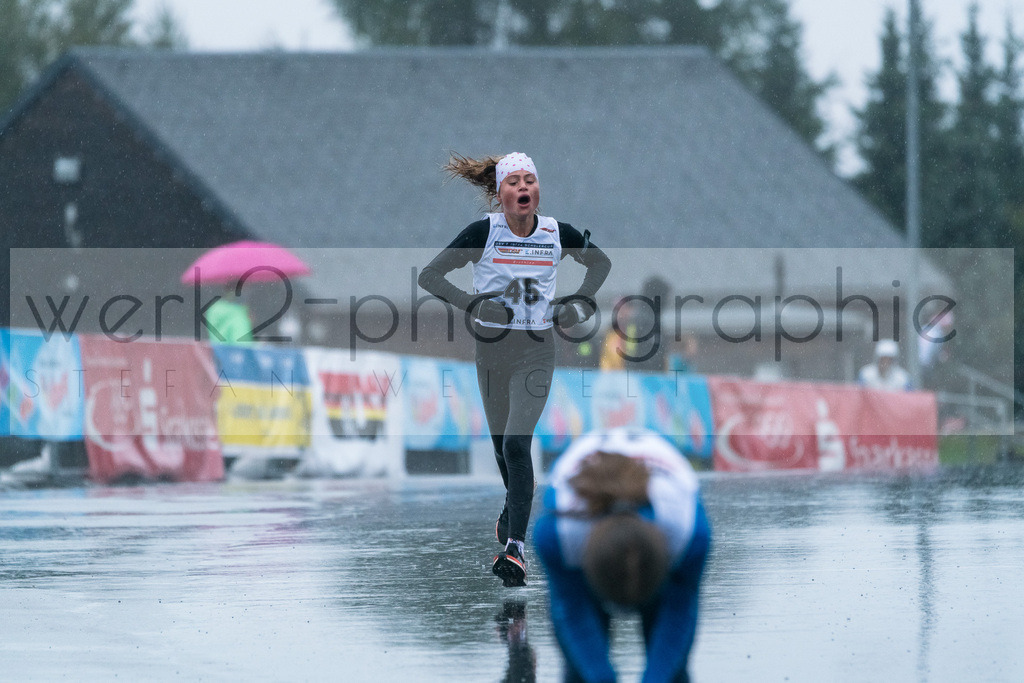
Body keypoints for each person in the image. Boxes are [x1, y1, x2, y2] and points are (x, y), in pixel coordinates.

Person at [418, 152, 611, 587]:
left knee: (517, 444)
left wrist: (579, 301)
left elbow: (601, 263)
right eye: (513, 182)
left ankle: (516, 549)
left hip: (537, 350)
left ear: (537, 189)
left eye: (530, 180)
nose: (523, 187)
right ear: (501, 193)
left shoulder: (556, 232)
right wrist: (473, 304)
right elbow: (429, 276)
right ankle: (514, 506)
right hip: (492, 351)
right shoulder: (483, 232)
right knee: (504, 450)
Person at [533, 428, 711, 683]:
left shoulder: (689, 531)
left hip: (665, 502)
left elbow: (679, 609)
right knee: (583, 671)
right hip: (583, 525)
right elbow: (572, 608)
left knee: (669, 673)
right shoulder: (557, 533)